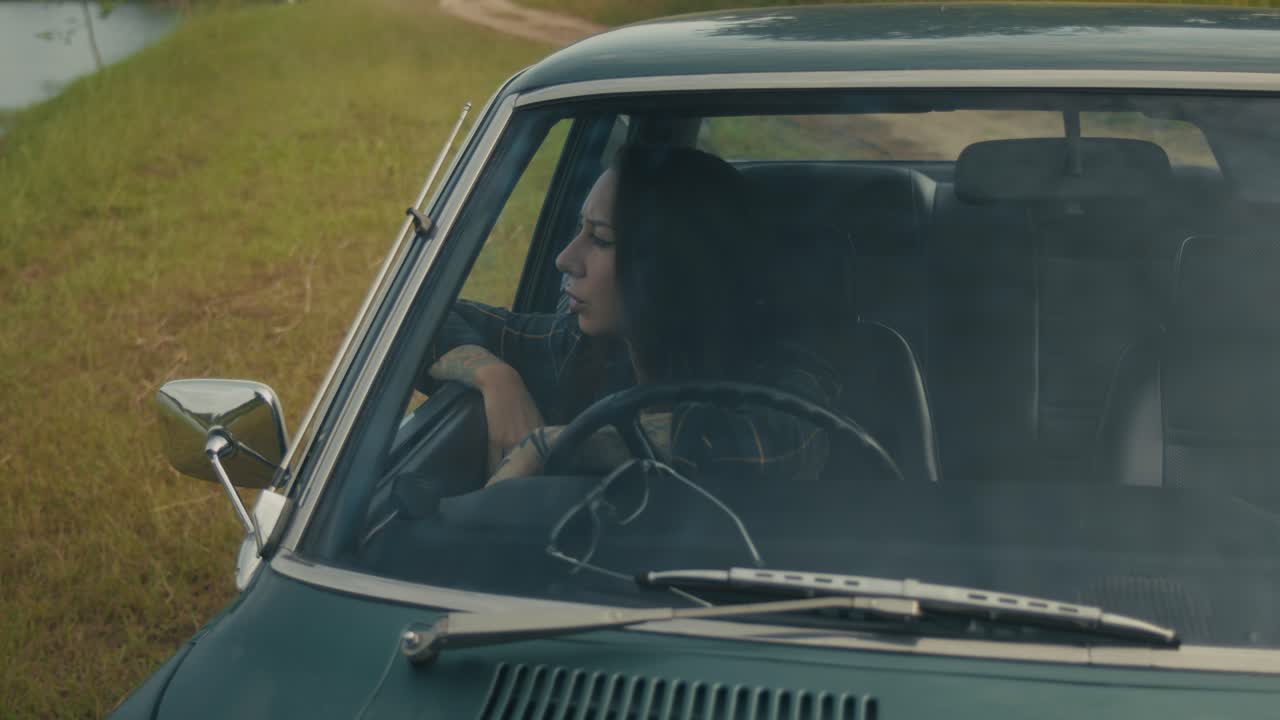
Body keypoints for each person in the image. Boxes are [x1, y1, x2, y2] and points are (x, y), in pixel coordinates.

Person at [420, 144, 837, 487]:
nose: (565, 259)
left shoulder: (787, 370)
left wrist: (556, 446)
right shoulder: (580, 346)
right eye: (579, 230)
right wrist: (495, 377)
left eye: (600, 239)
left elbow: (771, 445)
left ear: (671, 267)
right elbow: (425, 317)